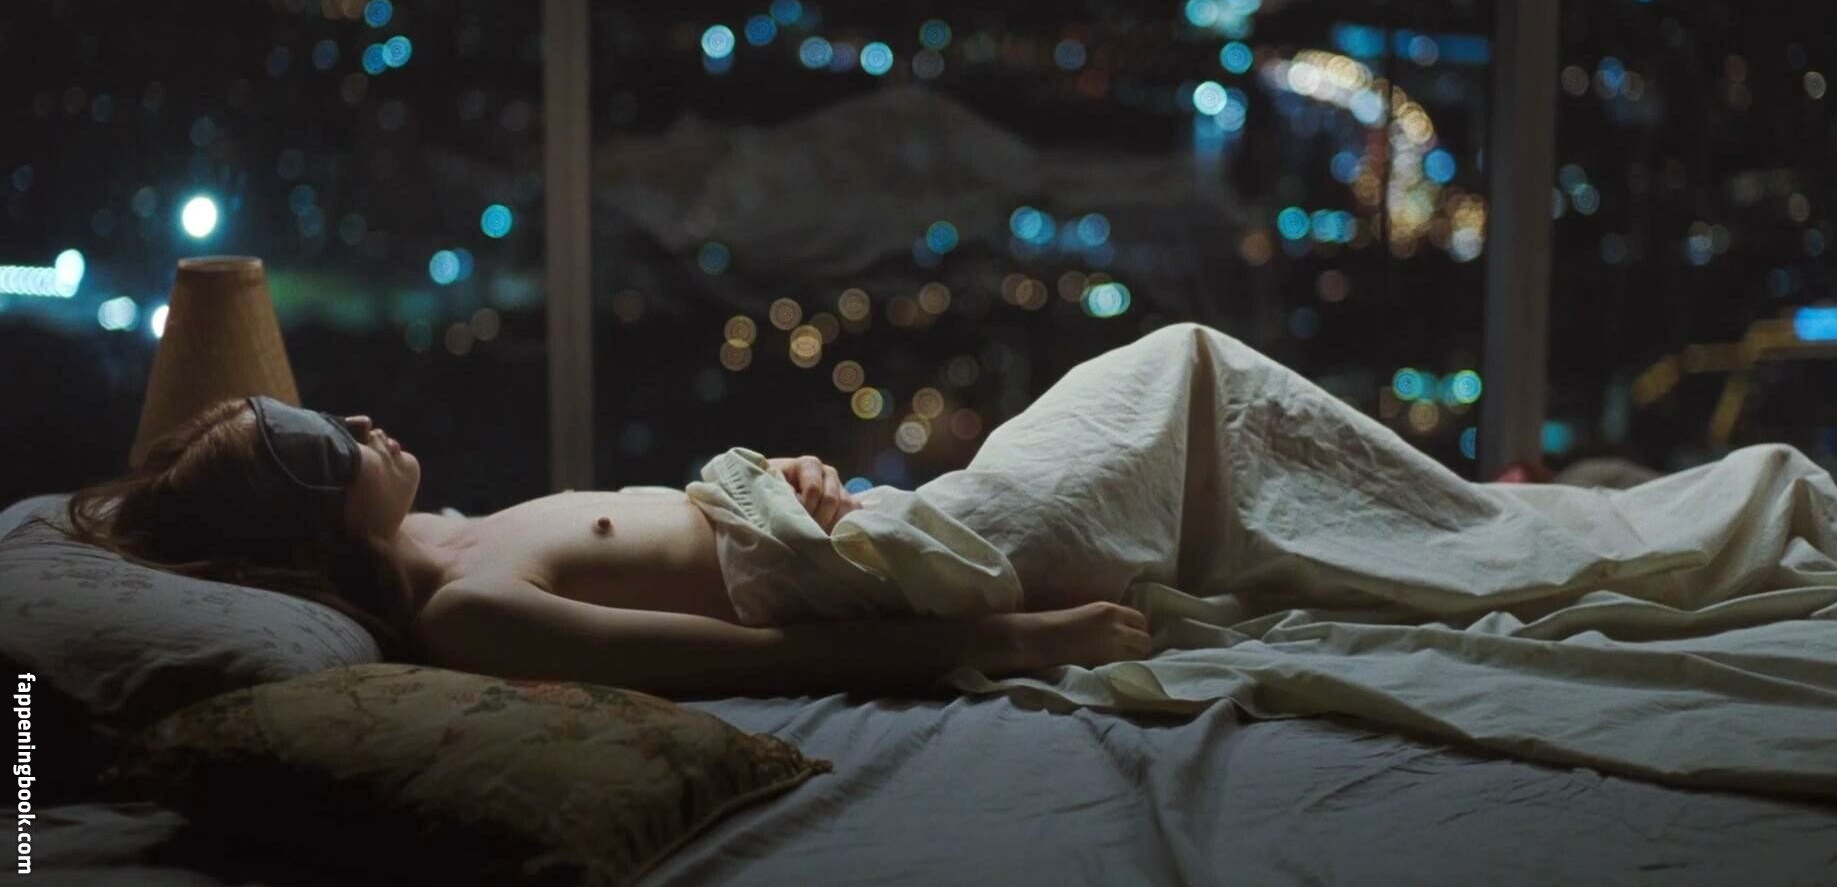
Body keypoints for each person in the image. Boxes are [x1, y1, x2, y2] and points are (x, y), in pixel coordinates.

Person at [53, 395, 1152, 698]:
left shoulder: (443, 529)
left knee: (1183, 388)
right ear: (320, 522)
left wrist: (789, 472)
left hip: (860, 516)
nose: (363, 422)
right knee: (1186, 372)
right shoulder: (470, 612)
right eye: (333, 446)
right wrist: (1018, 640)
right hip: (903, 569)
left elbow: (679, 521)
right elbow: (765, 660)